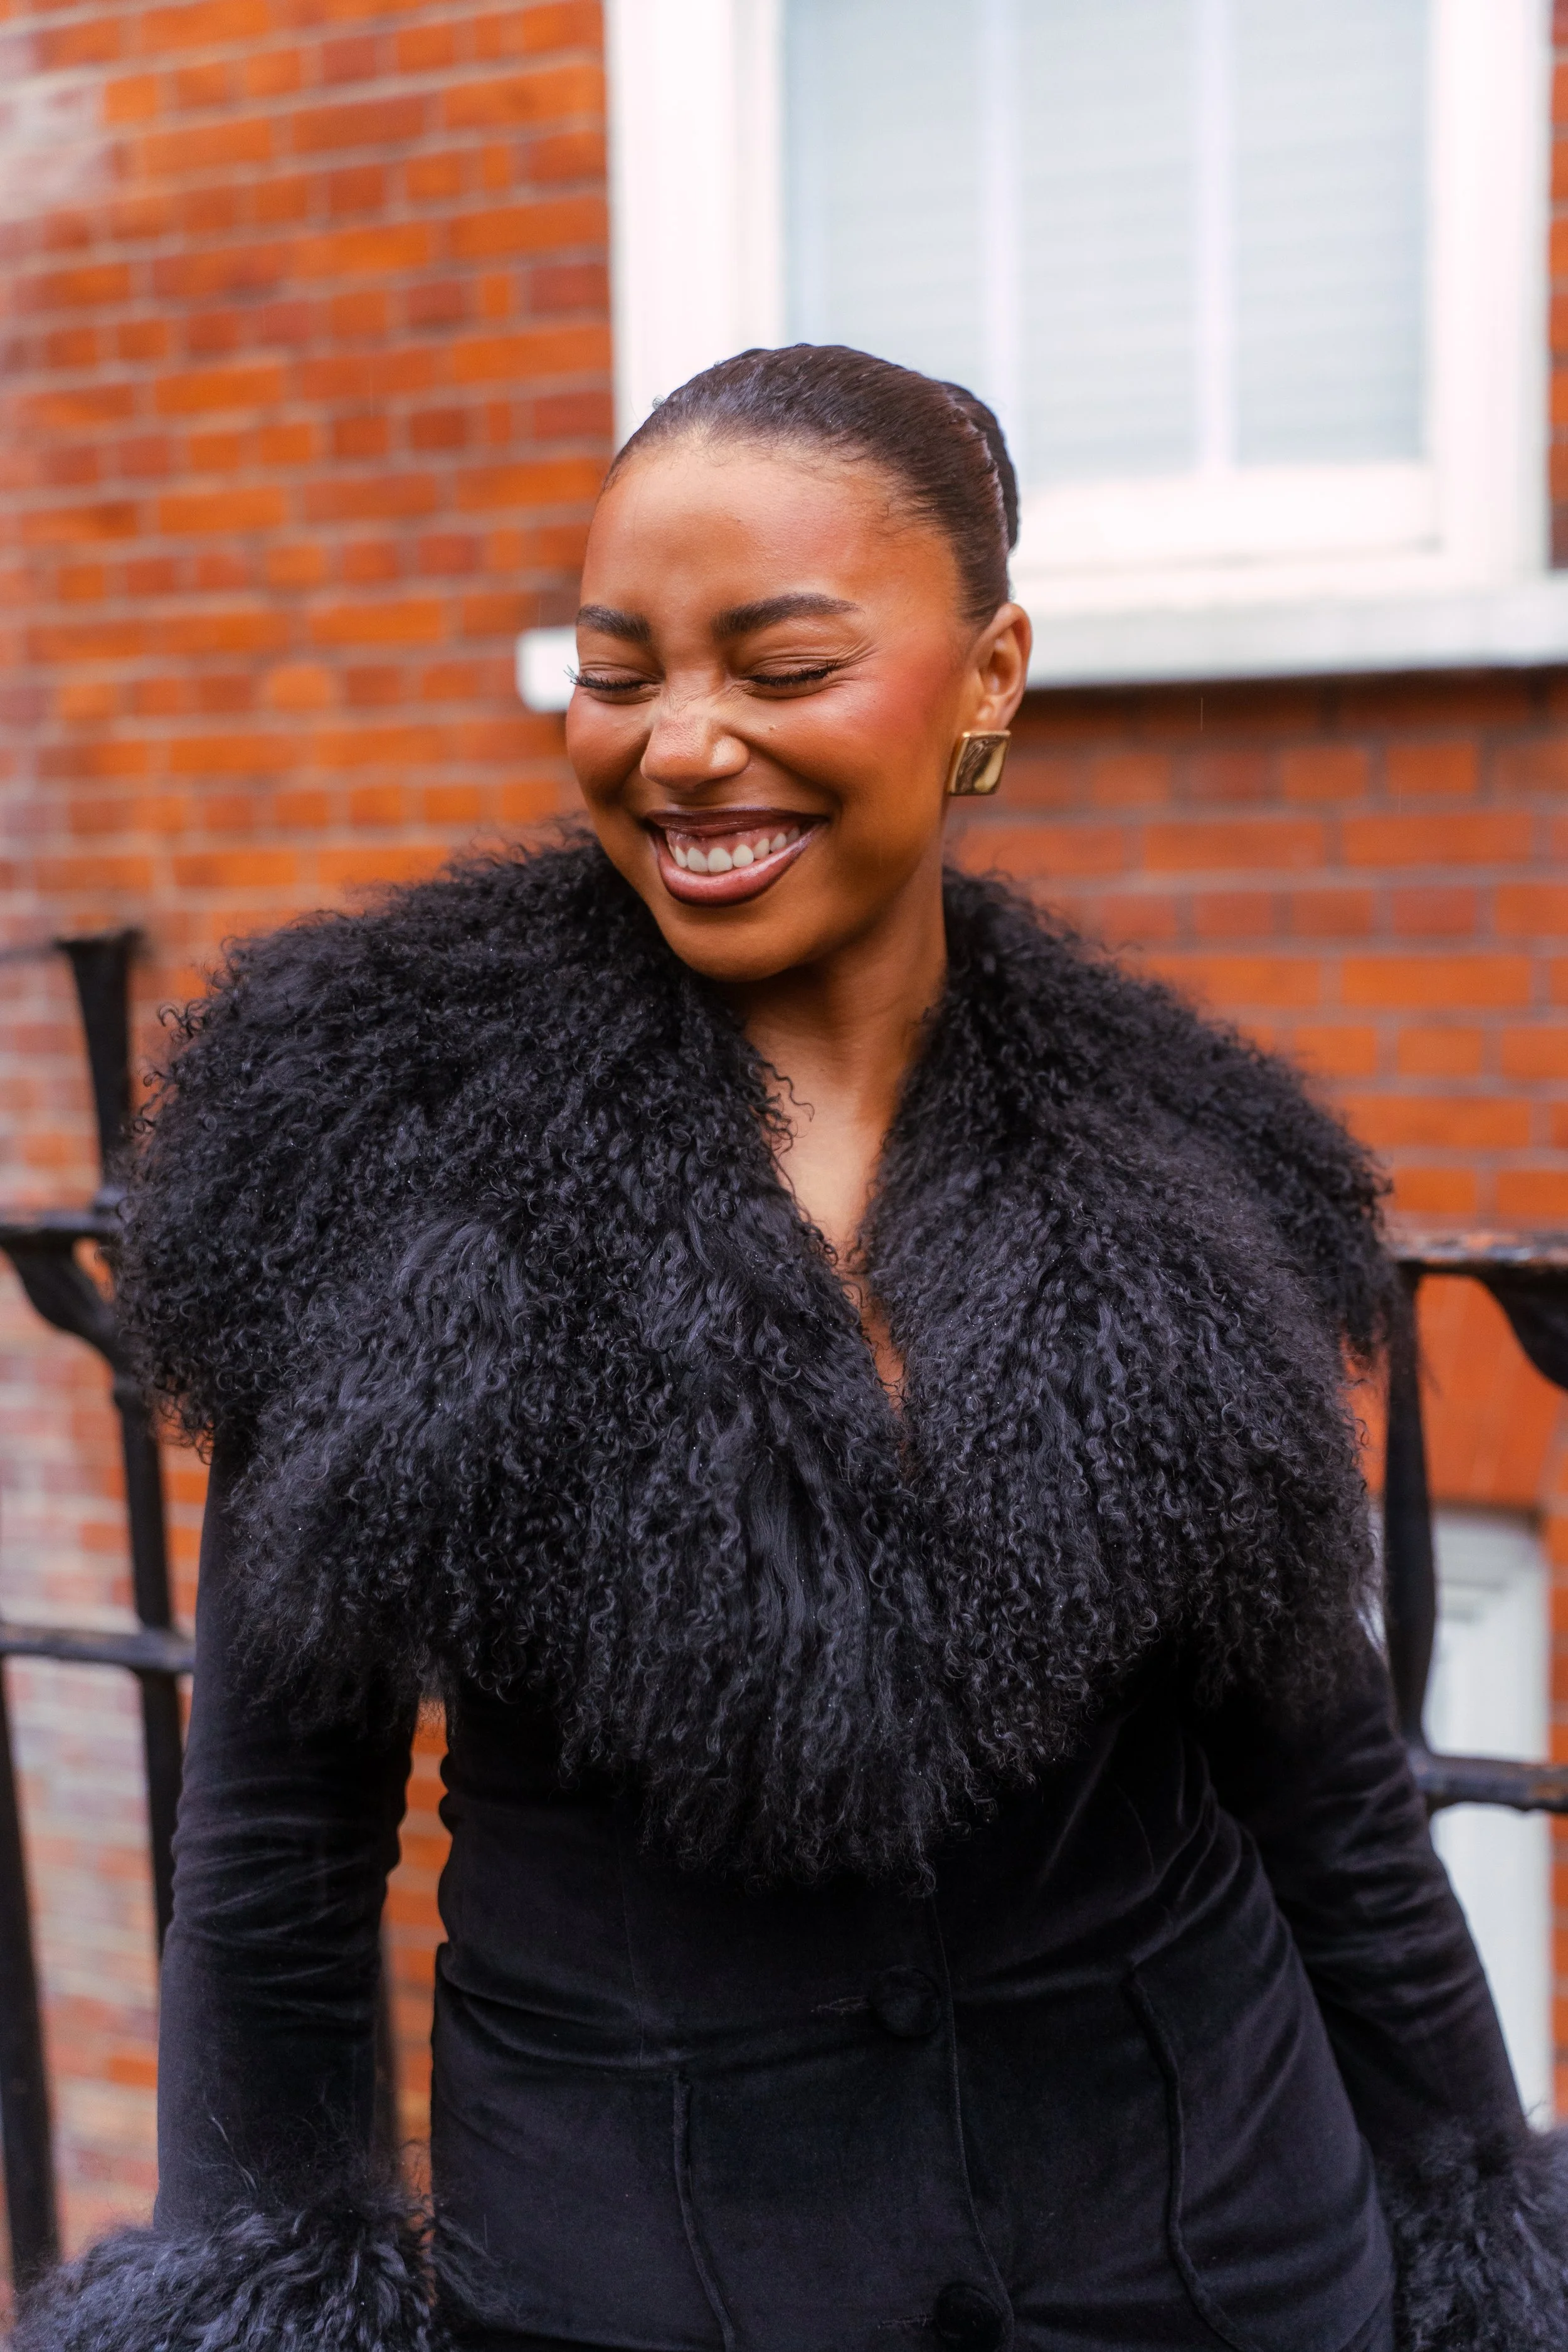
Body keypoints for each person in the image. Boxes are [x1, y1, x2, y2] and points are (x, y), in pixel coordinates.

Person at [16, 344, 1568, 2352]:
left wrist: (1474, 2226)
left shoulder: (1183, 1156)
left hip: (1219, 2264)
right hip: (637, 2289)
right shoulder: (378, 1137)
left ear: (987, 675)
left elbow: (1328, 1798)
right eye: (616, 666)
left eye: (779, 661)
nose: (679, 744)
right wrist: (265, 2272)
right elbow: (276, 1860)